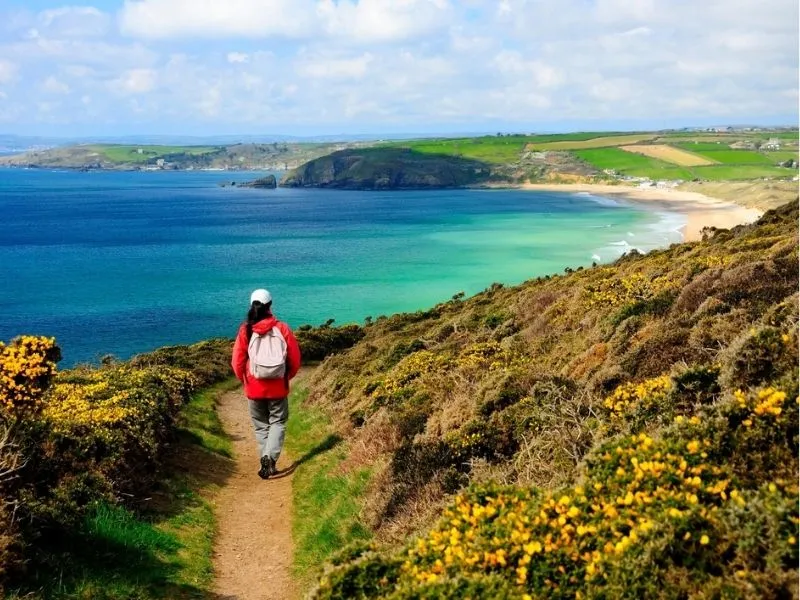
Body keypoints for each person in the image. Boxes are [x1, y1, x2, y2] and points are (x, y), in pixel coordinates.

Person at [232, 289, 301, 479]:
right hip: (278, 386)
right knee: (278, 422)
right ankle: (270, 459)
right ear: (270, 305)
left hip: (254, 387)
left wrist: (244, 379)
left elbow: (237, 360)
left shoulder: (246, 329)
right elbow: (295, 359)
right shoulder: (283, 328)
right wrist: (287, 376)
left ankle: (266, 458)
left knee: (261, 426)